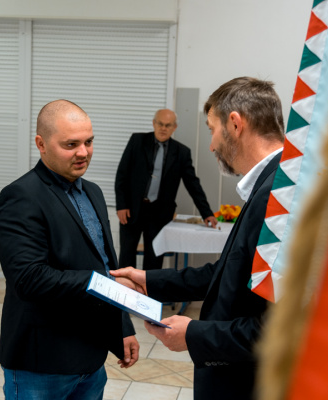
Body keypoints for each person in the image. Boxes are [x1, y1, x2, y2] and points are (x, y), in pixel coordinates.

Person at [111, 77, 285, 400]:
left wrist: (194, 335)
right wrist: (149, 281)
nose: (211, 145)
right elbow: (229, 275)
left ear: (235, 124)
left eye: (212, 129)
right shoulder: (271, 185)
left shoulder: (277, 197)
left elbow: (276, 328)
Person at [0, 100, 139, 400]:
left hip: (91, 358)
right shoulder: (21, 196)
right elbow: (29, 279)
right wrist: (104, 283)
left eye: (89, 142)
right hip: (42, 363)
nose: (83, 152)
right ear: (41, 144)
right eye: (71, 144)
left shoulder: (93, 192)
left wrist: (123, 326)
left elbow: (106, 263)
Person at [115, 109, 218, 271]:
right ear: (154, 123)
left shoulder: (182, 152)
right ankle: (123, 288)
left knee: (154, 260)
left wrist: (207, 213)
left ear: (174, 127)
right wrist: (121, 205)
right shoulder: (137, 141)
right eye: (160, 124)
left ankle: (148, 288)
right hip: (131, 210)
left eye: (168, 125)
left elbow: (193, 185)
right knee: (126, 257)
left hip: (159, 214)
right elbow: (122, 175)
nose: (163, 128)